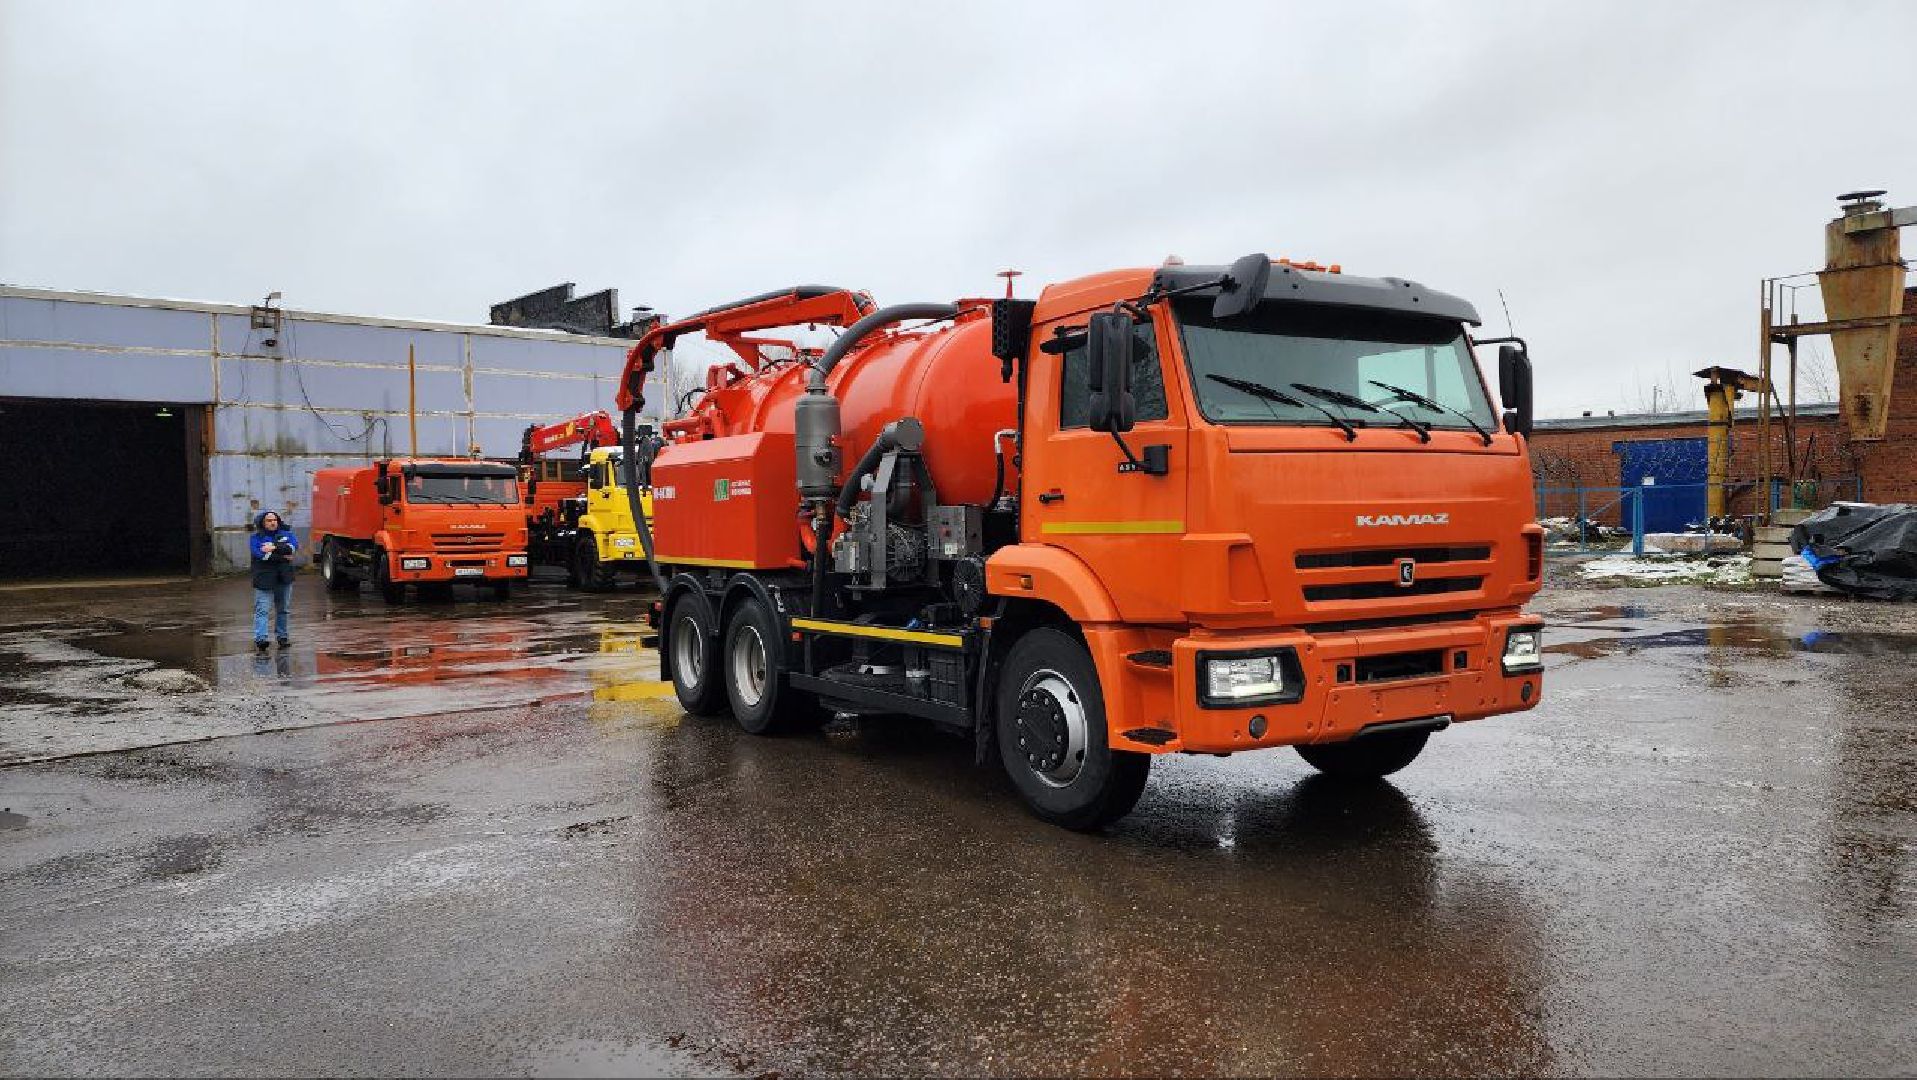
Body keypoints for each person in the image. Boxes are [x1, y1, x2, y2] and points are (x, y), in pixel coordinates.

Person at [249, 510, 299, 651]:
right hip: (264, 578)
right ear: (262, 523)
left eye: (274, 520)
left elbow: (293, 548)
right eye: (269, 520)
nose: (272, 523)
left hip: (284, 577)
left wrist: (274, 548)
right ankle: (261, 639)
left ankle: (282, 637)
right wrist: (283, 556)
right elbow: (260, 555)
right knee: (262, 610)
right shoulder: (255, 538)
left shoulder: (287, 534)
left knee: (283, 609)